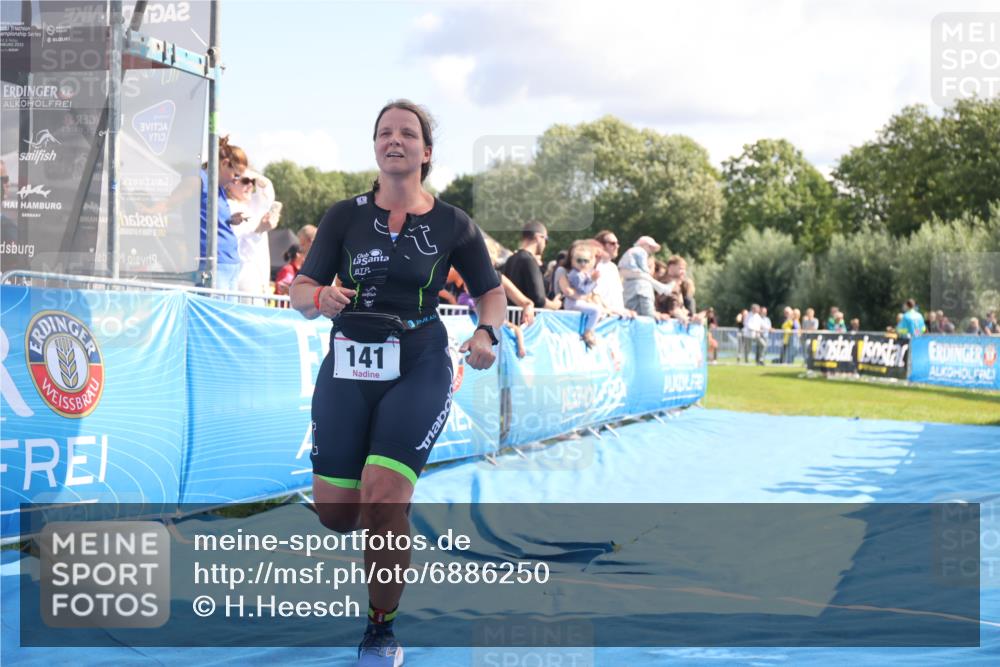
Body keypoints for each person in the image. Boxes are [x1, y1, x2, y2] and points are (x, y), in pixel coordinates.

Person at [289, 100, 505, 667]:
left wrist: (486, 333)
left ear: (425, 152)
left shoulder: (454, 223)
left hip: (420, 360)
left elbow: (490, 291)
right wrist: (319, 296)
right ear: (375, 146)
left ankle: (380, 630)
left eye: (407, 133)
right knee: (338, 514)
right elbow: (300, 290)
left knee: (383, 497)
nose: (395, 139)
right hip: (348, 361)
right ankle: (385, 510)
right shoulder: (344, 216)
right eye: (385, 132)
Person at [200, 135, 250, 291]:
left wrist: (230, 219)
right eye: (236, 175)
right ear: (223, 164)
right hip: (214, 263)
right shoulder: (200, 179)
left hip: (230, 263)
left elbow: (211, 217)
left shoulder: (220, 187)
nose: (236, 180)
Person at [229, 171, 279, 295]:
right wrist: (259, 230)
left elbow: (267, 194)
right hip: (242, 276)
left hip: (256, 276)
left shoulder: (248, 204)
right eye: (245, 181)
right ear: (230, 182)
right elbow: (238, 244)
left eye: (252, 182)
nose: (251, 185)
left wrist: (255, 176)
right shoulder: (228, 206)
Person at [563, 240, 604, 348]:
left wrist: (592, 280)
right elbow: (583, 290)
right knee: (596, 310)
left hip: (577, 302)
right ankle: (587, 333)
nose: (582, 263)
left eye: (586, 261)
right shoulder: (575, 275)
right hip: (573, 303)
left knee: (599, 310)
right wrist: (593, 281)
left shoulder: (582, 273)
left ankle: (589, 330)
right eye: (579, 260)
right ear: (573, 260)